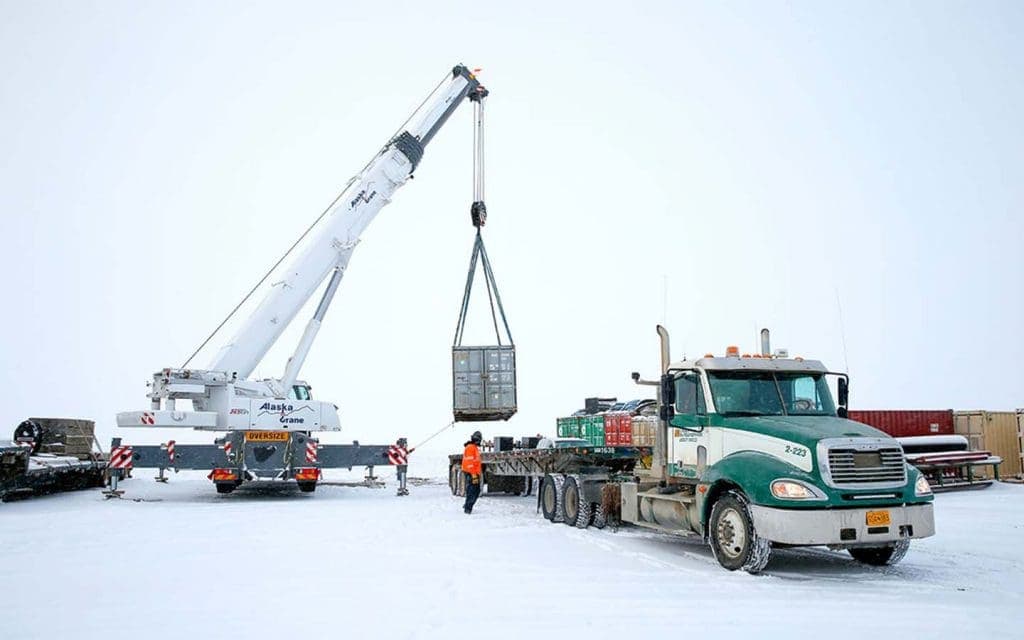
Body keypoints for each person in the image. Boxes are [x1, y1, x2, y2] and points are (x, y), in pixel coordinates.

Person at [461, 430, 483, 514]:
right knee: (473, 491)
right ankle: (468, 508)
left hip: (474, 473)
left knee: (474, 490)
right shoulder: (470, 447)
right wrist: (473, 474)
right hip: (471, 473)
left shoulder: (474, 447)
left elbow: (475, 461)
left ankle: (467, 505)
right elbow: (469, 463)